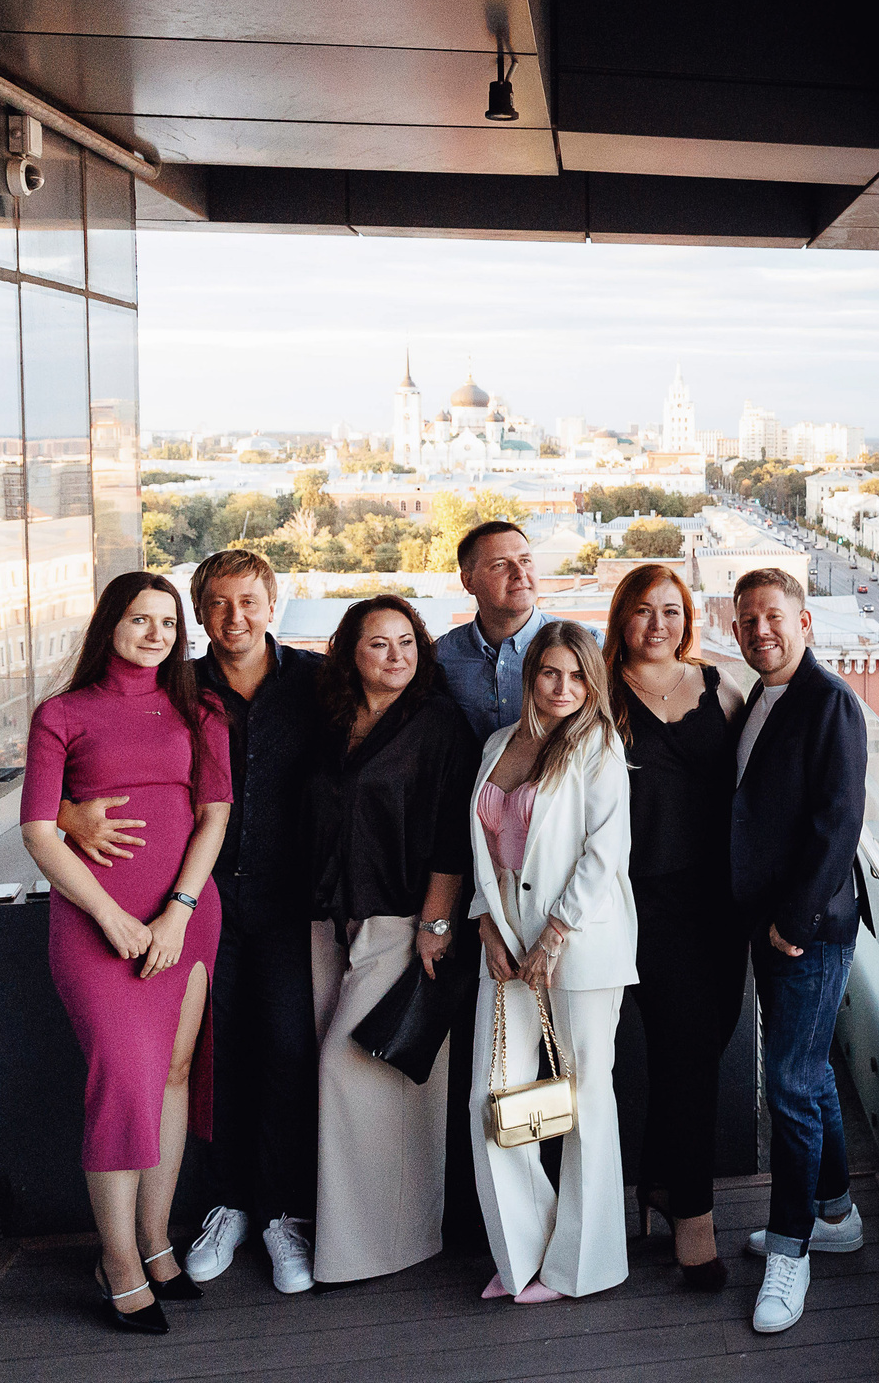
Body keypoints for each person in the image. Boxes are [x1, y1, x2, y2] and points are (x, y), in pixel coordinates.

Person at [68, 551, 328, 1293]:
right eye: (217, 603)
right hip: (197, 903)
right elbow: (89, 751)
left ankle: (281, 1212)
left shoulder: (314, 683)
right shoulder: (180, 687)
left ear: (272, 602)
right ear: (199, 612)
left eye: (249, 600)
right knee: (209, 1058)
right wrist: (63, 813)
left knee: (282, 1047)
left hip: (285, 901)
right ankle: (228, 1204)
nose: (234, 617)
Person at [20, 574, 232, 1334]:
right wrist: (111, 916)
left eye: (168, 622)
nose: (154, 632)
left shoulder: (199, 709)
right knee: (122, 1082)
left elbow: (214, 815)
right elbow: (41, 831)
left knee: (174, 1073)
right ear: (110, 621)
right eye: (140, 618)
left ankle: (155, 1239)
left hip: (185, 917)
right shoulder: (62, 714)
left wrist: (175, 911)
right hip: (95, 924)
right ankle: (115, 1261)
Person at [306, 597, 477, 1285]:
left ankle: (377, 1243)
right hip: (328, 918)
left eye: (407, 641)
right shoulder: (333, 720)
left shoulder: (439, 725)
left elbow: (451, 835)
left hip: (404, 922)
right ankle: (373, 1235)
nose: (396, 655)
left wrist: (435, 927)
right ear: (351, 651)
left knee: (353, 1068)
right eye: (379, 643)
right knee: (351, 1082)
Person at [466, 621, 638, 1302]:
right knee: (496, 1095)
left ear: (591, 680)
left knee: (586, 1099)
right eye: (550, 673)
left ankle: (584, 1267)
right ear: (530, 674)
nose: (563, 688)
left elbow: (606, 851)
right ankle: (526, 1250)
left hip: (580, 943)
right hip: (505, 939)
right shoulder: (496, 744)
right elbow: (482, 845)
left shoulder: (597, 744)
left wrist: (554, 933)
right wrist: (487, 919)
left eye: (577, 675)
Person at [728, 570, 868, 1336]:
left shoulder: (831, 701)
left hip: (805, 930)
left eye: (772, 616)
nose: (759, 631)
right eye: (746, 620)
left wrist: (794, 921)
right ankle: (837, 1210)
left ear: (804, 620)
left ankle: (792, 1247)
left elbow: (838, 823)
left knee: (787, 1082)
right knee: (807, 1074)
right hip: (773, 923)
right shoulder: (761, 696)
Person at [604, 566, 747, 1290]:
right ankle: (694, 1218)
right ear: (621, 618)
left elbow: (764, 785)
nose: (656, 624)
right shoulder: (598, 696)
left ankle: (660, 1180)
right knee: (686, 1053)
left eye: (670, 610)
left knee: (702, 1043)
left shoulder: (722, 686)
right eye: (642, 610)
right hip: (638, 904)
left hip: (720, 904)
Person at [435, 520, 555, 740]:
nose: (520, 573)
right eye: (500, 565)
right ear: (468, 581)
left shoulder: (587, 644)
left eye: (525, 560)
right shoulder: (440, 657)